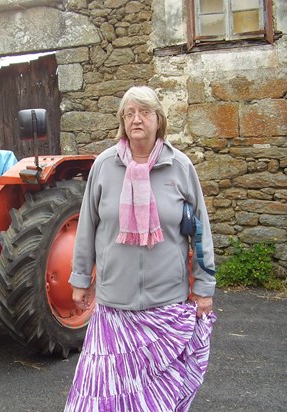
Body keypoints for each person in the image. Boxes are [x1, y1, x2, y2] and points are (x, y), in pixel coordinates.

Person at [64, 86, 217, 412]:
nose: (137, 119)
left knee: (156, 396)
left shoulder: (179, 166)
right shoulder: (104, 166)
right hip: (113, 309)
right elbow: (87, 226)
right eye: (130, 113)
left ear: (158, 120)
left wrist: (204, 288)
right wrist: (79, 278)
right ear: (122, 121)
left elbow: (200, 231)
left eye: (144, 112)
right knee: (105, 393)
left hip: (166, 304)